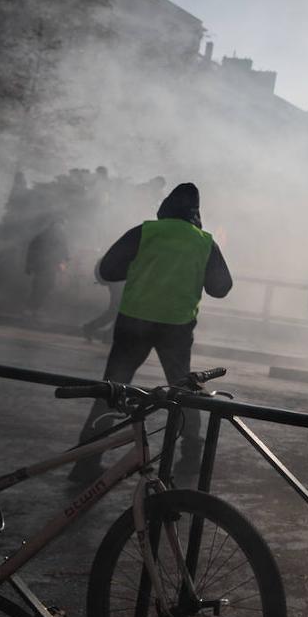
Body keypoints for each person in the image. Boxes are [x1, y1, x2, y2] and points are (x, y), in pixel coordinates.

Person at [68, 183, 232, 482]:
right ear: (196, 213)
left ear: (165, 207)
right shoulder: (204, 242)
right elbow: (221, 288)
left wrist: (143, 267)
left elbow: (107, 270)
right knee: (185, 392)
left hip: (133, 322)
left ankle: (86, 462)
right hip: (177, 327)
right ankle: (190, 458)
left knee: (112, 390)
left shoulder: (144, 232)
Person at [24, 219, 69, 315]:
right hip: (41, 265)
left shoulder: (61, 237)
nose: (61, 228)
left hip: (51, 266)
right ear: (53, 225)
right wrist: (29, 265)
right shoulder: (42, 236)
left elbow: (63, 250)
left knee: (48, 285)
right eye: (59, 225)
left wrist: (64, 261)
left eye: (62, 226)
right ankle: (30, 308)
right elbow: (31, 250)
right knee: (38, 286)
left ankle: (36, 308)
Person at [81, 258, 123, 343]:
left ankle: (98, 331)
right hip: (118, 282)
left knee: (116, 311)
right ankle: (105, 333)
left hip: (118, 281)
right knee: (117, 311)